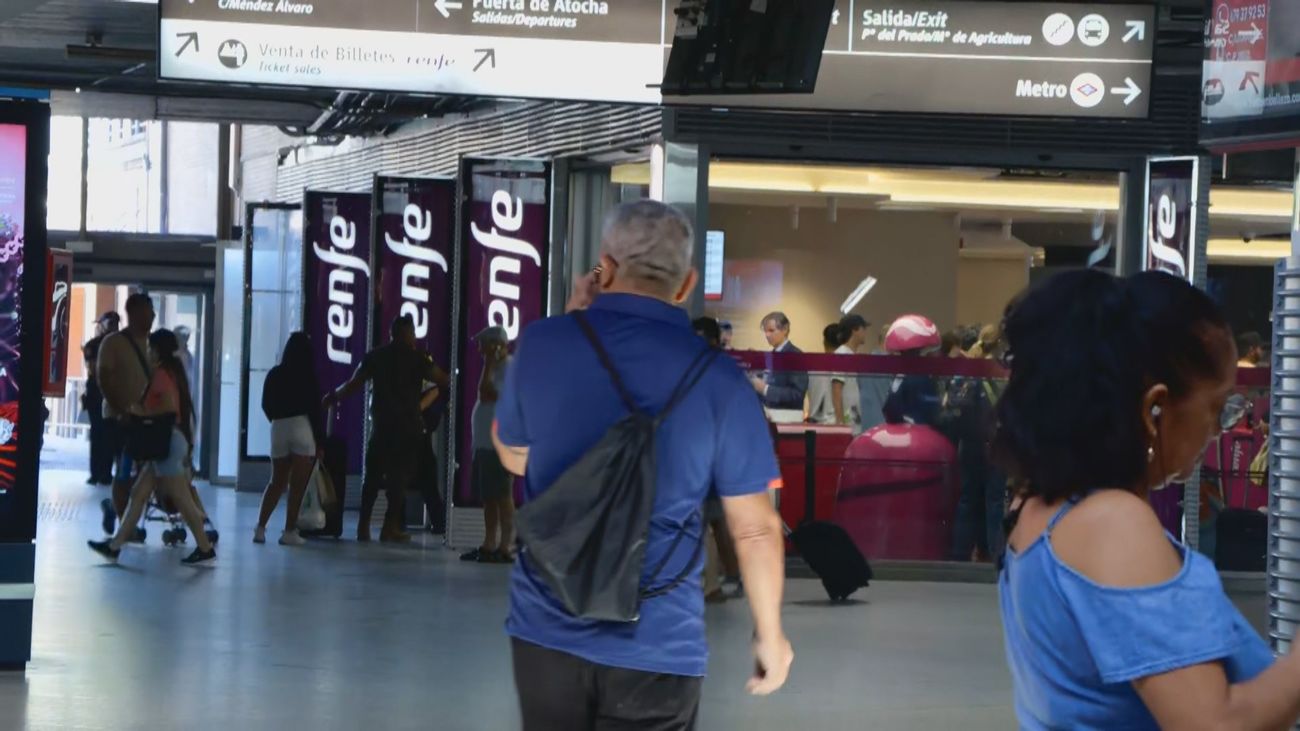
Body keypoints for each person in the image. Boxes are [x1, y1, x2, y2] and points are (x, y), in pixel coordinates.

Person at [494, 200, 792, 729]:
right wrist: (770, 634)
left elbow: (515, 458)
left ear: (603, 269)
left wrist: (573, 319)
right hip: (659, 641)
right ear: (686, 284)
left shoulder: (541, 343)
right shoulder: (721, 381)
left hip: (546, 625)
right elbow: (755, 530)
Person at [995, 269, 1298, 729]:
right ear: (1155, 406)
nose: (1216, 432)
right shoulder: (1113, 524)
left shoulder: (1033, 508)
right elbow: (1212, 724)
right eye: (1215, 408)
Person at [88, 329, 215, 565]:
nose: (147, 351)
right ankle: (115, 546)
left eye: (149, 347)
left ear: (157, 350)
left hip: (166, 444)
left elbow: (167, 408)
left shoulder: (161, 375)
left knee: (181, 499)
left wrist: (138, 410)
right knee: (138, 494)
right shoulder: (171, 372)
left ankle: (205, 546)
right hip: (168, 443)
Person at [325, 314, 450, 543]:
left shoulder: (376, 357)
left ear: (391, 334)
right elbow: (443, 379)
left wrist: (333, 397)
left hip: (381, 426)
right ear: (408, 334)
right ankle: (388, 527)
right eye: (412, 333)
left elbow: (354, 384)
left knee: (371, 478)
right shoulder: (418, 358)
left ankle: (363, 527)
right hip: (407, 429)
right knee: (398, 482)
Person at [255, 332, 324, 547]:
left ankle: (260, 528)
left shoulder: (275, 374)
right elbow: (315, 410)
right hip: (302, 427)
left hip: (278, 427)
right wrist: (320, 441)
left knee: (276, 482)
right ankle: (289, 531)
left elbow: (265, 404)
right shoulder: (308, 375)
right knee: (297, 486)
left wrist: (276, 420)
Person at [97, 293, 155, 539]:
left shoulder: (154, 345)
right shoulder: (113, 343)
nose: (152, 316)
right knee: (125, 471)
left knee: (141, 475)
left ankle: (116, 509)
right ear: (134, 313)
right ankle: (124, 523)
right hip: (120, 421)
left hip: (146, 421)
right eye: (148, 311)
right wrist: (122, 410)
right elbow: (104, 379)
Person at [460, 326, 516, 564]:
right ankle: (489, 542)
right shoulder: (497, 368)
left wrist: (489, 365)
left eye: (484, 344)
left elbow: (485, 393)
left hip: (498, 443)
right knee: (489, 496)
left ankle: (506, 545)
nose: (480, 349)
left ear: (496, 345)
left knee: (502, 494)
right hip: (484, 443)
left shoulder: (508, 368)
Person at [881, 315, 945, 428]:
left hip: (904, 432)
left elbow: (889, 408)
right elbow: (935, 414)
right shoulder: (923, 378)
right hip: (922, 434)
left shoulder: (900, 376)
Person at [83, 311, 120, 486]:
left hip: (113, 394)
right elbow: (92, 368)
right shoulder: (94, 345)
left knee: (110, 435)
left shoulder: (121, 345)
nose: (113, 326)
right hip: (96, 394)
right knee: (97, 433)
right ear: (102, 324)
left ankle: (105, 472)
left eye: (115, 322)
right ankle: (96, 473)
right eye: (110, 322)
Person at [751, 311, 808, 411]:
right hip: (768, 415)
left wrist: (765, 389)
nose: (767, 335)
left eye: (771, 330)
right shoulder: (771, 356)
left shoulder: (796, 356)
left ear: (785, 329)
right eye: (765, 331)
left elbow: (797, 394)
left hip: (787, 419)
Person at [807, 323, 848, 425]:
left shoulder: (812, 367)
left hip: (814, 423)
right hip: (835, 422)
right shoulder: (844, 366)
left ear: (824, 342)